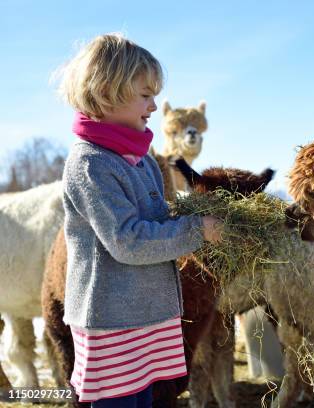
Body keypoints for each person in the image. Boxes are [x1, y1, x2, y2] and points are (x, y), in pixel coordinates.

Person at [56, 32, 222, 407]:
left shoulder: (144, 159)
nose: (154, 104)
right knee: (117, 401)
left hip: (147, 313)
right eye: (145, 94)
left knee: (145, 399)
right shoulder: (90, 163)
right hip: (112, 319)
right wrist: (197, 230)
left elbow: (157, 217)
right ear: (105, 93)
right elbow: (127, 240)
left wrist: (192, 213)